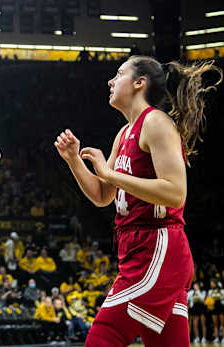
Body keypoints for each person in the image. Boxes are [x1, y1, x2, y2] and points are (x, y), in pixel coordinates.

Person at [55, 56, 223, 346]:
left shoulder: (156, 122)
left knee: (102, 336)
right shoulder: (123, 133)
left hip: (158, 246)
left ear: (139, 83)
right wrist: (74, 161)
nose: (110, 81)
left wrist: (109, 172)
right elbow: (102, 196)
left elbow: (175, 192)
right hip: (137, 248)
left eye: (118, 74)